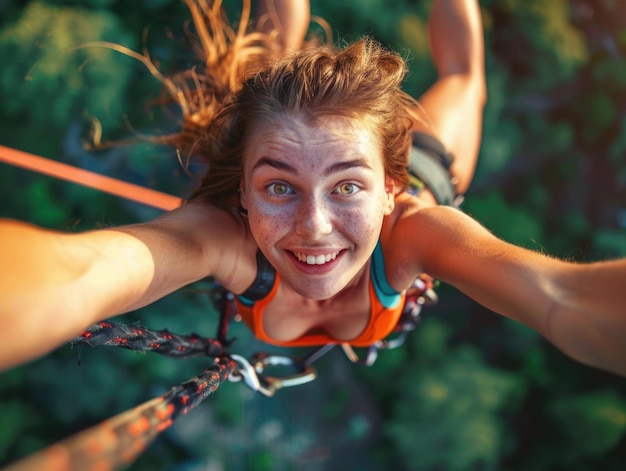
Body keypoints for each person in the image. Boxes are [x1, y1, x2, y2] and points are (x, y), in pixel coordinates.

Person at [0, 0, 625, 377]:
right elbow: (83, 274)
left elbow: (558, 297)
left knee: (466, 78)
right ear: (242, 193)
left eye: (348, 186)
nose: (315, 226)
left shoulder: (415, 234)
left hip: (426, 168)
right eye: (278, 188)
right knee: (266, 70)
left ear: (388, 188)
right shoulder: (225, 236)